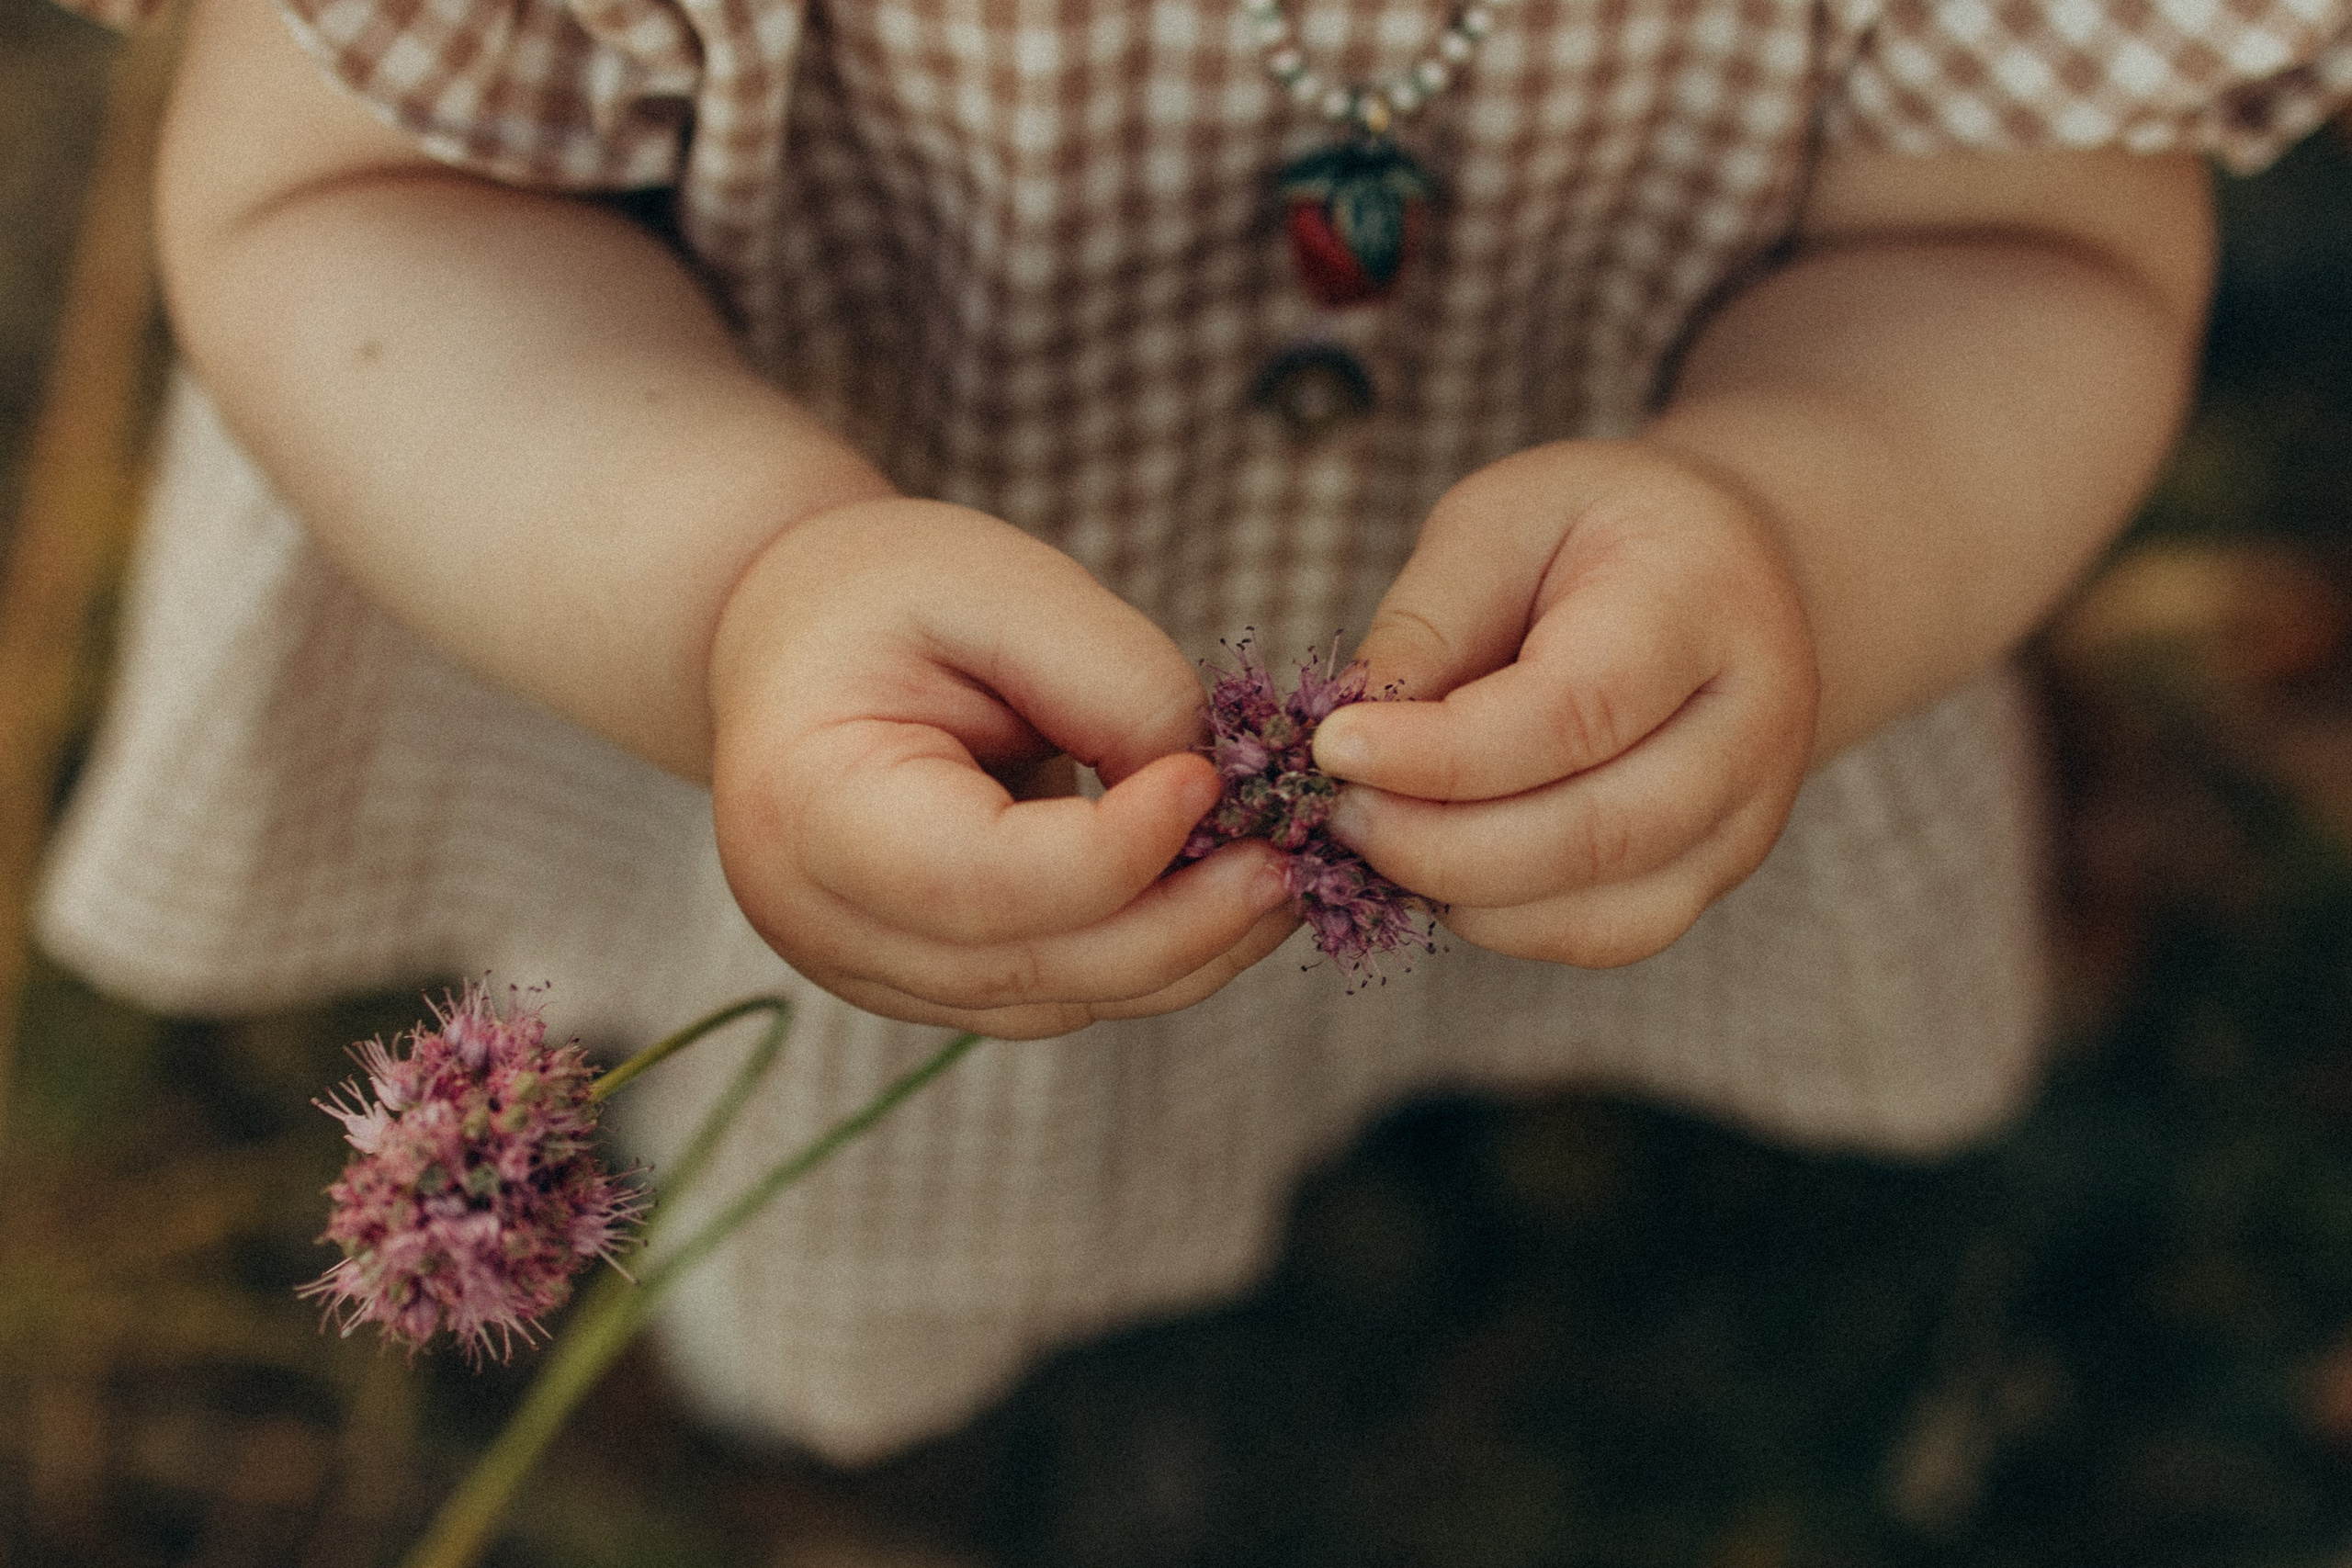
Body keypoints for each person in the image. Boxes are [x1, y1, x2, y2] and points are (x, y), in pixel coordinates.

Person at [36, 0, 2348, 1462]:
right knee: (866, 1027)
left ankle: (1414, 1130)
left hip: (1630, 604)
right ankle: (834, 1341)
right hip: (659, 528)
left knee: (1489, 921)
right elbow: (357, 191)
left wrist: (1799, 542)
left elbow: (2020, 251)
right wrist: (737, 594)